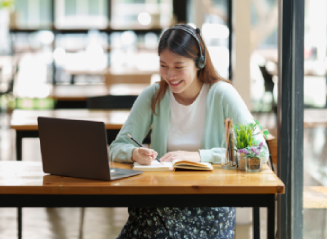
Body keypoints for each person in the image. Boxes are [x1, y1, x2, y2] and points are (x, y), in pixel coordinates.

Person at [110, 24, 268, 239]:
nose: (170, 75)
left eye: (178, 66)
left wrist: (200, 156)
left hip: (211, 202)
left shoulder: (222, 94)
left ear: (199, 63)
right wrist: (134, 153)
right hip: (162, 197)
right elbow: (118, 146)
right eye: (164, 66)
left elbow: (259, 152)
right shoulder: (153, 95)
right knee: (147, 217)